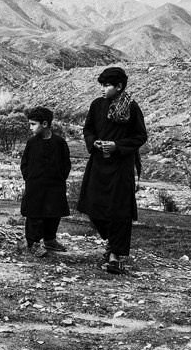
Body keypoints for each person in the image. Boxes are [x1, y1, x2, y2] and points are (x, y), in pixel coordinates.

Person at [77, 67, 147, 275]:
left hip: (121, 167)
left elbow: (140, 136)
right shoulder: (97, 105)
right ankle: (111, 242)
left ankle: (115, 255)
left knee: (118, 210)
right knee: (92, 206)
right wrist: (94, 143)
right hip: (98, 164)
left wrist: (117, 146)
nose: (102, 89)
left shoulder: (132, 107)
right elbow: (88, 129)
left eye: (106, 85)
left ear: (119, 86)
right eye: (101, 85)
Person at [20, 106, 72, 257]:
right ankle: (32, 243)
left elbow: (66, 164)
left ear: (44, 124)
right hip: (35, 187)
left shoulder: (60, 142)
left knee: (53, 214)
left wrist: (60, 178)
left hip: (55, 186)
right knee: (34, 215)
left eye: (32, 124)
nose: (30, 127)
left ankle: (50, 240)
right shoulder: (31, 143)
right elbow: (24, 163)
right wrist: (29, 178)